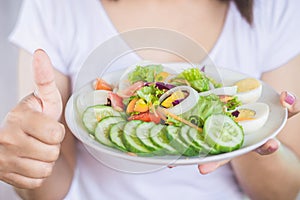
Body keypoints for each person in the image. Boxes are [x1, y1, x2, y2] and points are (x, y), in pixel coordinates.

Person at [1, 0, 300, 199]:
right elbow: (49, 191)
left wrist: (247, 137)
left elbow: (284, 191)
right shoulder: (56, 6)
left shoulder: (274, 7)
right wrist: (30, 157)